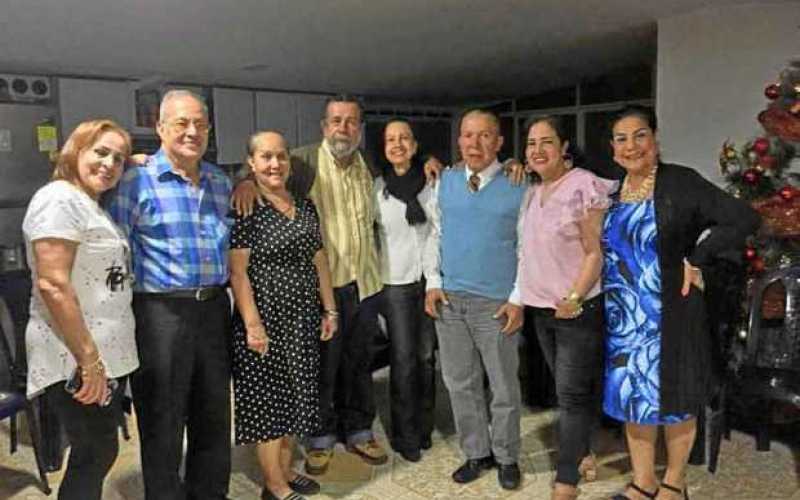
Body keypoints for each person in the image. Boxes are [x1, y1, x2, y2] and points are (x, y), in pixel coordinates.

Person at [602, 106, 760, 500]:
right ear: (613, 148)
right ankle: (643, 482)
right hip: (626, 318)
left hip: (672, 312)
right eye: (621, 139)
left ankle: (674, 482)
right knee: (634, 400)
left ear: (655, 140)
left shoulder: (680, 182)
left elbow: (743, 217)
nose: (631, 146)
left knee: (676, 400)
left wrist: (698, 257)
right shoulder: (613, 191)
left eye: (640, 135)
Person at [232, 94, 388, 473]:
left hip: (366, 283)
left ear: (360, 128)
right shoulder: (304, 161)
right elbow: (265, 167)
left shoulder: (368, 163)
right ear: (324, 126)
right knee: (322, 367)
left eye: (351, 121)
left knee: (359, 363)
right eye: (336, 120)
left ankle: (359, 430)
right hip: (324, 287)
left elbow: (408, 166)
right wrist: (245, 183)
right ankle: (320, 435)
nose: (343, 128)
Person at [107, 90, 234, 500]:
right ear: (160, 128)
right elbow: (112, 252)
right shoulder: (134, 180)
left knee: (214, 415)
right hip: (159, 314)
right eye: (182, 123)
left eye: (200, 124)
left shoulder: (220, 182)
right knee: (162, 419)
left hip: (214, 309)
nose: (192, 131)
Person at [22, 119, 138, 500]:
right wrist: (89, 360)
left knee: (97, 450)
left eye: (118, 159)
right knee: (95, 451)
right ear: (75, 151)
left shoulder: (88, 202)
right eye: (100, 152)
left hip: (98, 351)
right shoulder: (59, 199)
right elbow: (53, 284)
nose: (109, 163)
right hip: (74, 353)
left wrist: (139, 160)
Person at [229, 130, 337, 500]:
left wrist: (329, 308)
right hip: (264, 323)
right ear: (251, 163)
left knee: (295, 401)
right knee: (269, 408)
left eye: (281, 156)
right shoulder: (246, 206)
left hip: (302, 321)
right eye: (266, 157)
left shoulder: (305, 206)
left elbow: (319, 259)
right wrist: (252, 324)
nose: (274, 164)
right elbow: (238, 273)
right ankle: (274, 486)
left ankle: (286, 472)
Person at [424, 109, 526, 490]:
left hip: (497, 304)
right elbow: (435, 235)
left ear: (499, 142)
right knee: (459, 383)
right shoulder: (445, 182)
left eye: (484, 135)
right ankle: (476, 452)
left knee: (503, 386)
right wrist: (432, 282)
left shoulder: (519, 185)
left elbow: (526, 247)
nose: (475, 143)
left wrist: (517, 298)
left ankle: (506, 456)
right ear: (459, 141)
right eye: (468, 135)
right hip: (450, 301)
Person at [517, 116, 616, 500]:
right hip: (542, 309)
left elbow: (595, 252)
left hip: (576, 309)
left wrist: (574, 297)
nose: (538, 150)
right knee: (571, 390)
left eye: (546, 142)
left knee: (571, 394)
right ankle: (585, 450)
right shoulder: (532, 191)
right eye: (531, 143)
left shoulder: (582, 186)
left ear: (564, 147)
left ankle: (567, 479)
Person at [373, 119, 437, 463]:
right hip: (394, 284)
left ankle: (424, 428)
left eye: (404, 138)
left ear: (414, 145)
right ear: (384, 148)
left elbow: (438, 232)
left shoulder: (433, 182)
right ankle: (405, 435)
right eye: (390, 140)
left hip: (429, 282)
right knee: (402, 359)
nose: (397, 144)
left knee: (426, 358)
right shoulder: (377, 189)